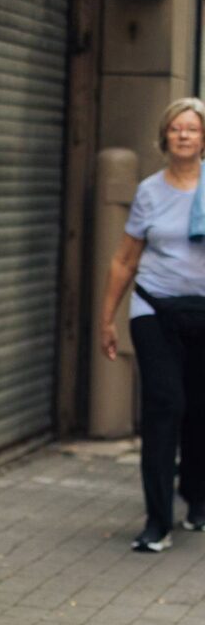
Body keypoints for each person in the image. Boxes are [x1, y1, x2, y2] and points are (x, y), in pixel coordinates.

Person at [99, 97, 205, 552]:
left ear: (203, 139)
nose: (183, 135)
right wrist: (108, 319)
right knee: (166, 406)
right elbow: (124, 260)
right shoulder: (148, 191)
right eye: (176, 128)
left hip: (202, 313)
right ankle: (157, 522)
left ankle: (196, 498)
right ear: (164, 137)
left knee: (199, 412)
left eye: (192, 128)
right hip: (154, 309)